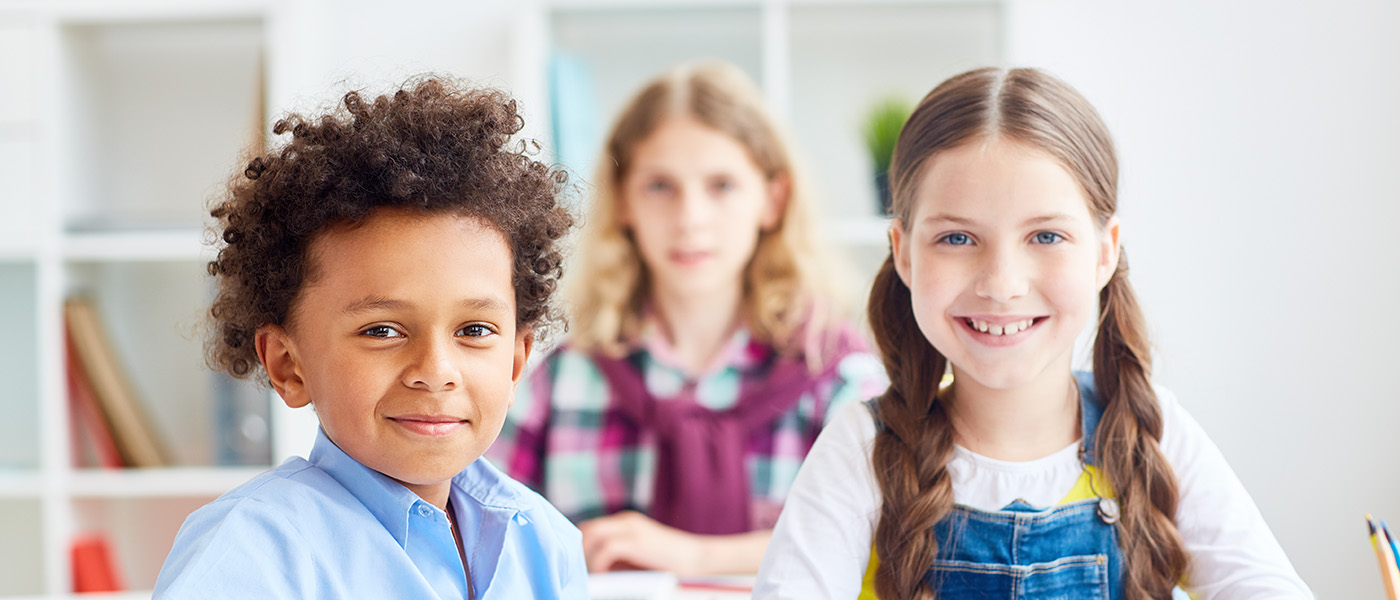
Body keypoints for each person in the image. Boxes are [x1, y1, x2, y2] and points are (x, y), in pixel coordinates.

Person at [753, 67, 1313, 599]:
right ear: (903, 253)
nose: (1001, 285)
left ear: (1105, 252)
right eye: (956, 238)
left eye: (1046, 237)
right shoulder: (862, 449)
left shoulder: (1155, 436)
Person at [153, 78, 586, 599]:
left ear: (515, 363)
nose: (435, 371)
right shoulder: (250, 551)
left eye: (474, 330)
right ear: (289, 365)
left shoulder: (545, 541)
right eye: (382, 330)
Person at [487, 60, 888, 576]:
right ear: (623, 200)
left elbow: (878, 540)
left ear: (773, 200)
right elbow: (480, 529)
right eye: (660, 186)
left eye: (722, 185)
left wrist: (691, 557)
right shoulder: (562, 381)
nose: (690, 218)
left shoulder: (838, 377)